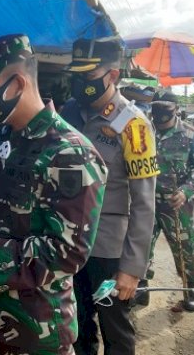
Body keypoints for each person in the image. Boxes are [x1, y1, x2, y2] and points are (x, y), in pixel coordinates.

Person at [0, 34, 108, 354]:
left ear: (17, 83)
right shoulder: (4, 138)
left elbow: (69, 254)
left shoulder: (70, 153)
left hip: (35, 333)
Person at [60, 37, 159, 355]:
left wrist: (132, 268)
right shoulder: (68, 112)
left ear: (113, 74)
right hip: (68, 243)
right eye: (75, 73)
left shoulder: (134, 125)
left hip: (108, 251)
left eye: (88, 75)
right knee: (77, 327)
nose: (79, 82)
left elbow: (144, 203)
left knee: (116, 332)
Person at [144, 90, 194, 311]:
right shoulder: (143, 131)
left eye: (166, 109)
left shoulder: (191, 135)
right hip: (146, 201)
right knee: (140, 245)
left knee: (185, 246)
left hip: (177, 204)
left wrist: (186, 191)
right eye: (156, 108)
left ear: (176, 110)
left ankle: (188, 288)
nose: (160, 113)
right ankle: (141, 288)